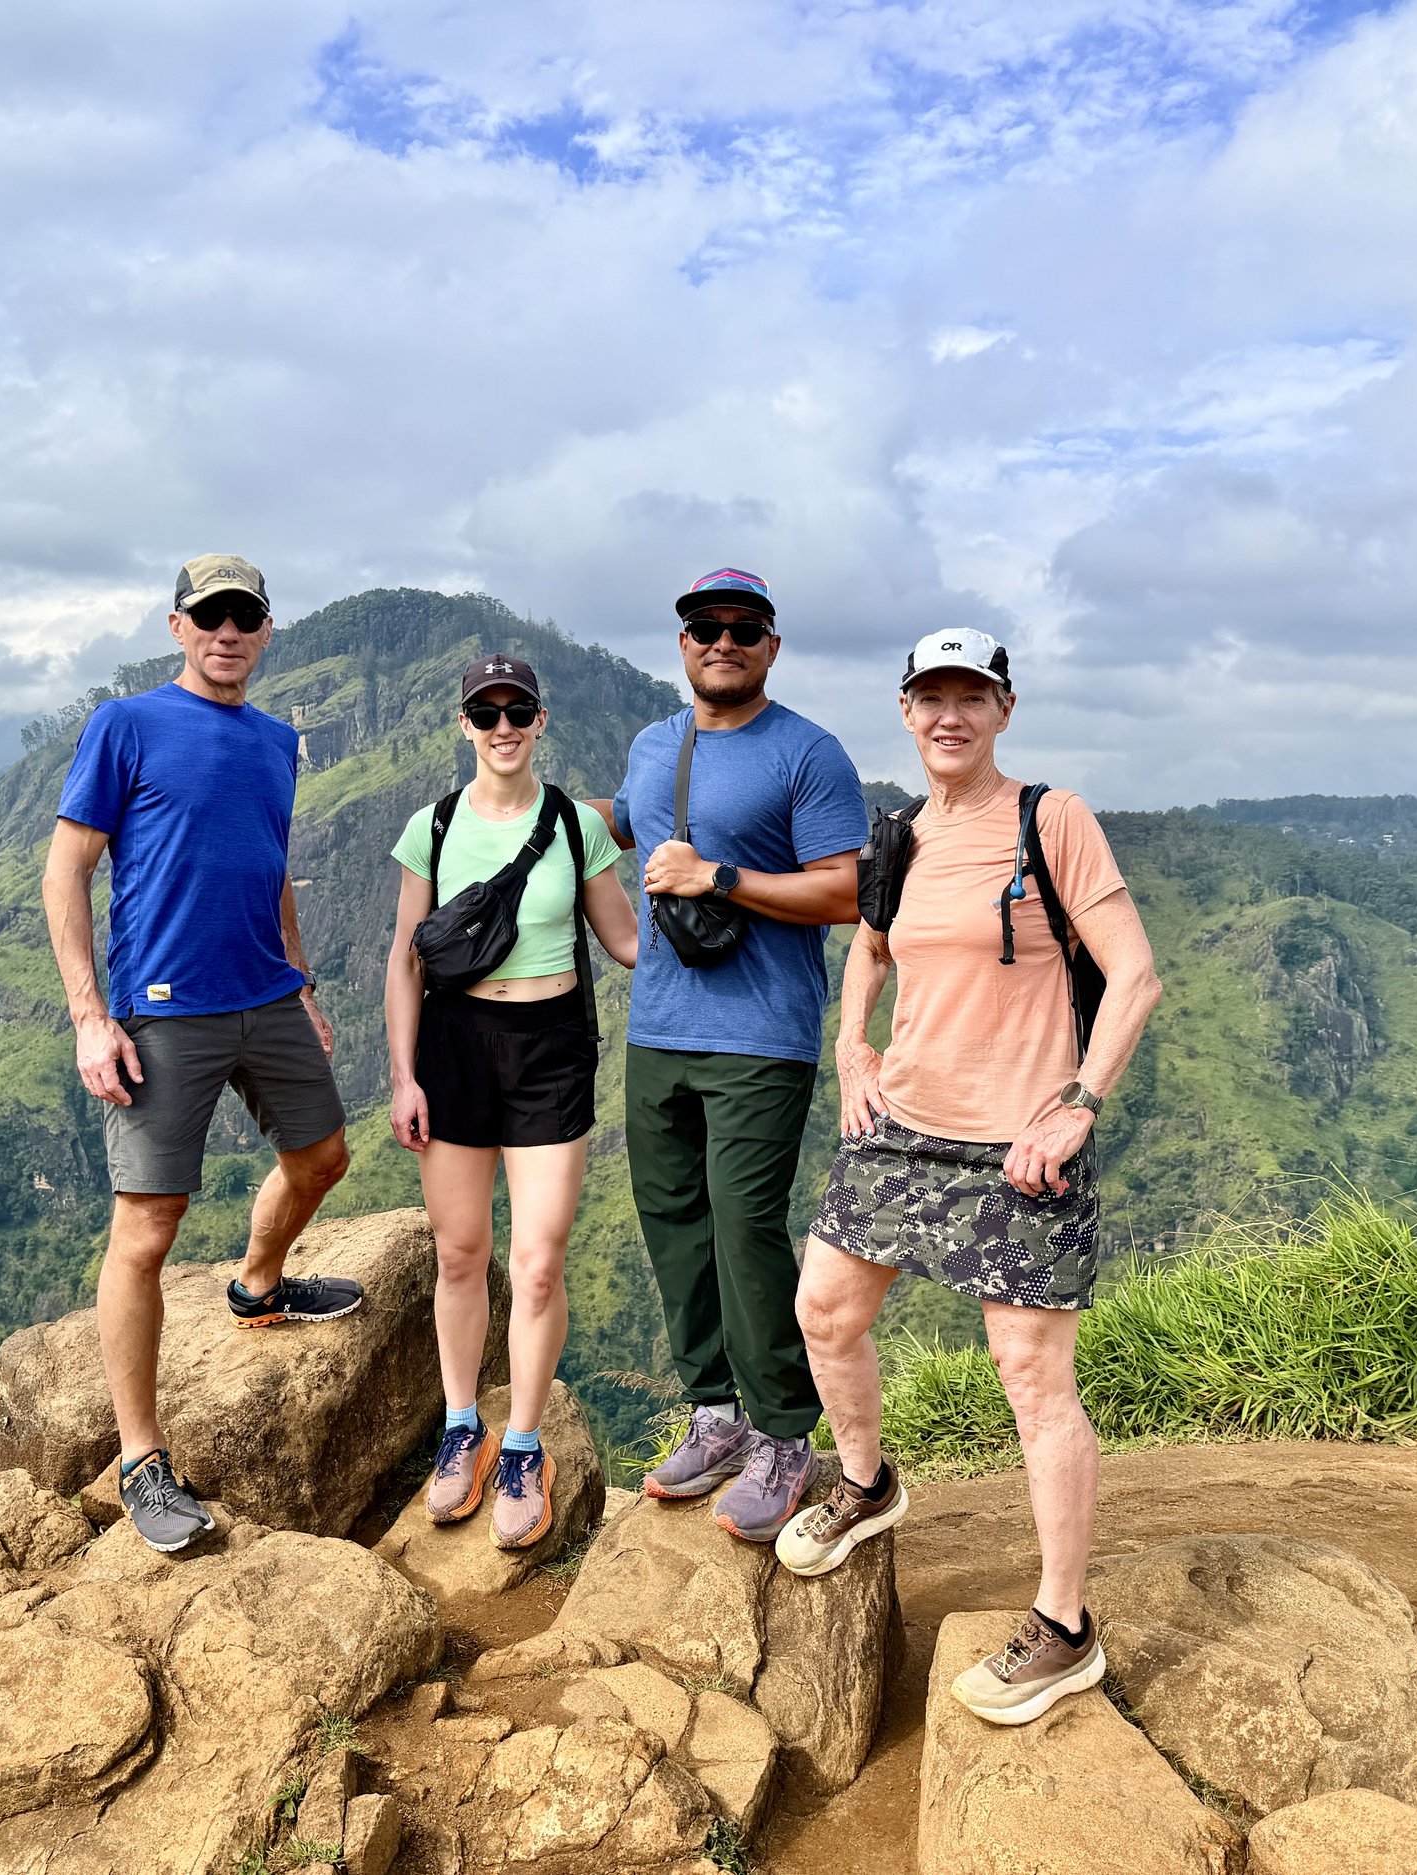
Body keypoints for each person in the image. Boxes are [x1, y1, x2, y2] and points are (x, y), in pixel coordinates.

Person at [779, 626, 1164, 1727]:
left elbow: (1132, 976)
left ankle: (1063, 1626)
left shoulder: (1053, 820)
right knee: (825, 1312)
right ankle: (865, 1482)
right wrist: (852, 1046)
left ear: (1003, 710)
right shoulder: (895, 837)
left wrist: (1079, 1104)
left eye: (971, 696)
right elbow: (869, 946)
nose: (949, 715)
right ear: (905, 710)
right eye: (930, 696)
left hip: (1017, 1142)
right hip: (900, 1126)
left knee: (1030, 1377)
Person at [43, 554, 358, 1555]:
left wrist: (303, 986)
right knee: (147, 1228)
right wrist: (90, 1015)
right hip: (161, 1010)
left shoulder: (275, 742)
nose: (227, 633)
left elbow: (271, 872)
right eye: (208, 617)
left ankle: (258, 1286)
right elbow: (67, 866)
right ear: (178, 628)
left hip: (266, 994)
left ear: (265, 632)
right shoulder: (124, 725)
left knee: (323, 1160)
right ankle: (143, 1459)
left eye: (244, 618)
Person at [594, 569, 869, 1543]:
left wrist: (720, 876)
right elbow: (620, 822)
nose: (723, 641)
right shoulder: (653, 745)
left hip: (759, 1036)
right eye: (705, 627)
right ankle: (715, 1411)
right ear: (681, 644)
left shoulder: (807, 753)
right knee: (673, 1222)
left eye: (743, 629)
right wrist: (507, 806)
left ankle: (786, 1433)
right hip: (658, 1027)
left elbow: (843, 891)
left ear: (770, 647)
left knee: (745, 1228)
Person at [384, 656, 640, 1549]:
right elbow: (405, 959)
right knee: (461, 1255)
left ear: (540, 719)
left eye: (516, 709)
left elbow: (626, 941)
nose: (502, 725)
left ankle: (524, 1444)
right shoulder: (435, 826)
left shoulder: (576, 826)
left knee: (536, 1261)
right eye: (485, 712)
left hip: (550, 1049)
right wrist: (404, 1073)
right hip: (454, 1048)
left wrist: (729, 897)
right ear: (464, 723)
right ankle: (463, 1428)